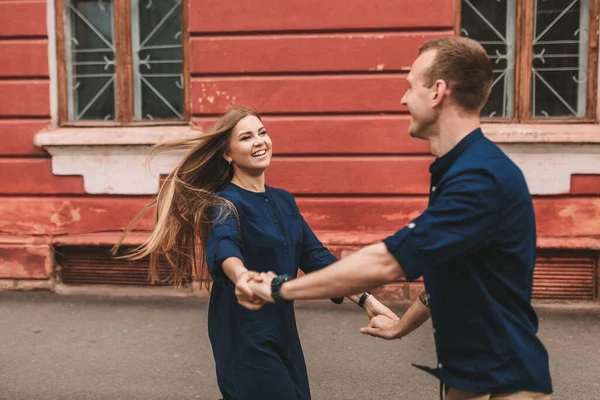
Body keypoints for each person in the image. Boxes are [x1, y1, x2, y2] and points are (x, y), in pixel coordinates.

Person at [243, 37, 553, 400]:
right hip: (472, 377)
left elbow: (387, 260)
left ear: (437, 92)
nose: (403, 99)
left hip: (506, 381)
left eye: (409, 86)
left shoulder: (479, 179)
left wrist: (279, 289)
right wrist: (401, 327)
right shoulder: (459, 170)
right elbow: (449, 271)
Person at [112, 107, 397, 400]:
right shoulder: (224, 204)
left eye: (262, 133)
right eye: (246, 137)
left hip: (283, 331)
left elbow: (316, 258)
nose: (259, 141)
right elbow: (225, 249)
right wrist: (243, 277)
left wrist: (366, 299)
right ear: (228, 154)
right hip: (242, 337)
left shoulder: (283, 201)